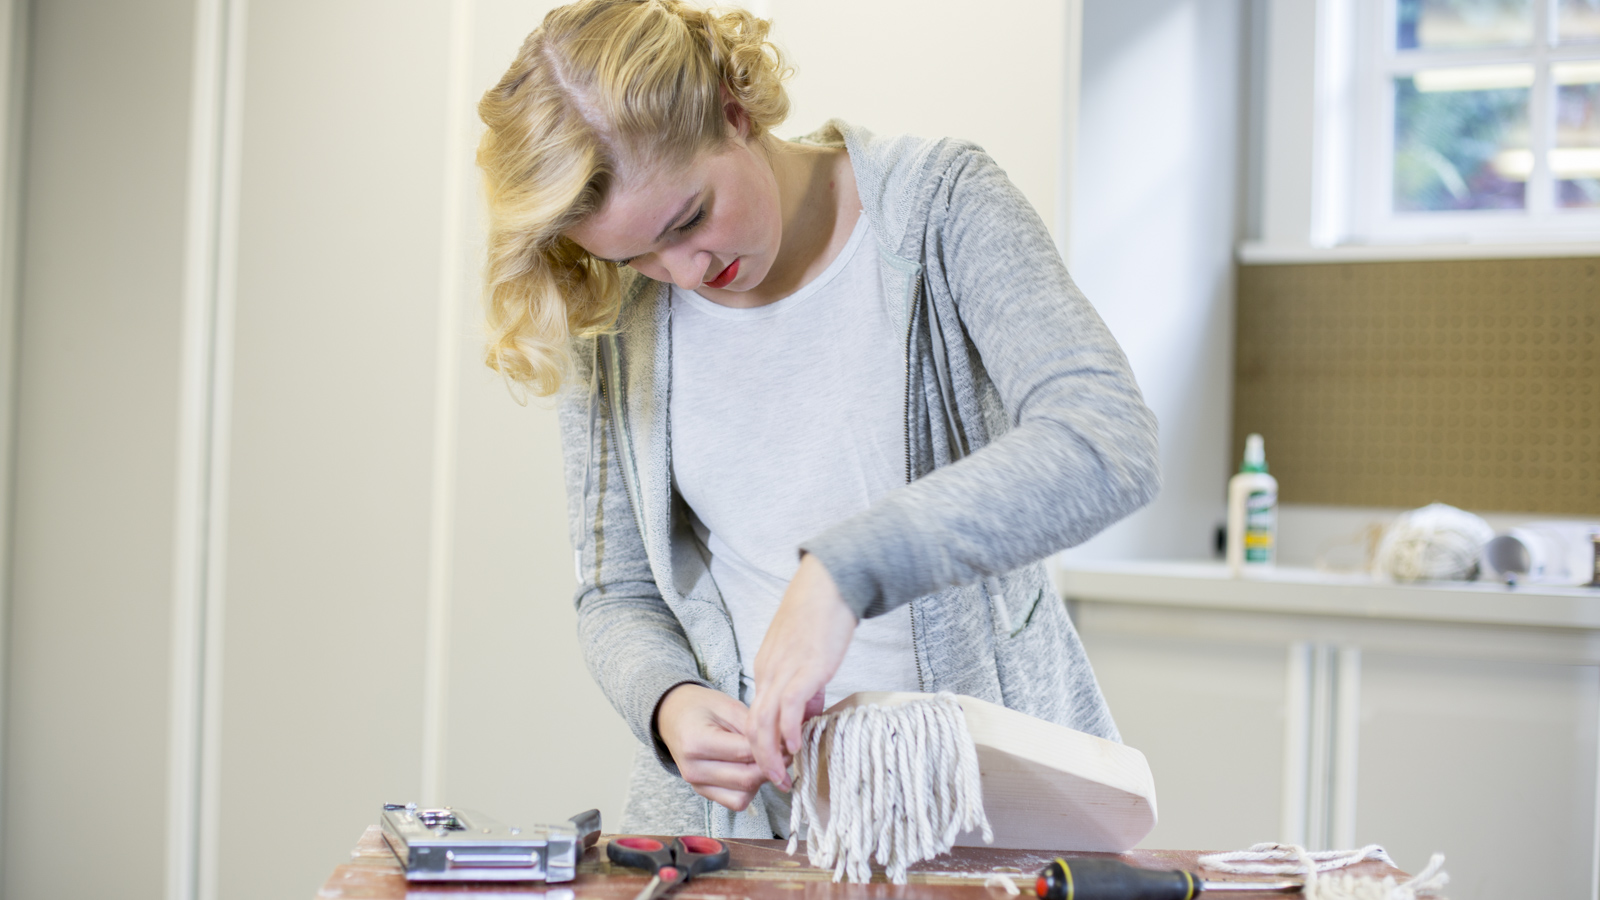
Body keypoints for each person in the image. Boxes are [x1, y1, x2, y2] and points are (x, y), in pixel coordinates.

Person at [475, 0, 1160, 839]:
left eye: (688, 218)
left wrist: (841, 573)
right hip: (753, 838)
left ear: (735, 109)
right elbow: (614, 592)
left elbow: (1107, 441)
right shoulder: (617, 317)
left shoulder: (940, 209)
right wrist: (671, 703)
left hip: (990, 825)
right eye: (634, 255)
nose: (682, 271)